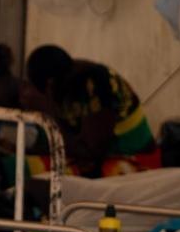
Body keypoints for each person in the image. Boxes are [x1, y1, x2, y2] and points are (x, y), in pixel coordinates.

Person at [26, 44, 161, 176]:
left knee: (34, 174)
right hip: (103, 160)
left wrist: (48, 110)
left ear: (50, 85)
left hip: (137, 163)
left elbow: (91, 152)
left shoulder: (97, 83)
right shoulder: (65, 81)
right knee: (18, 167)